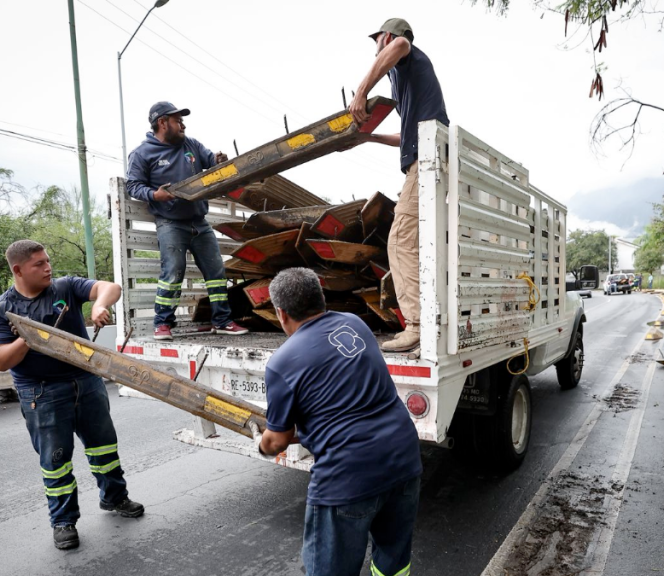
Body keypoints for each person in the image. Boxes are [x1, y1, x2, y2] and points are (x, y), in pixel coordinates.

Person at [257, 268, 422, 576]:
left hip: (349, 476)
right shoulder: (355, 324)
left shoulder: (282, 363)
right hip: (403, 458)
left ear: (281, 313)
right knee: (393, 561)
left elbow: (277, 440)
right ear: (321, 298)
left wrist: (262, 443)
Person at [0, 240, 144, 550]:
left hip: (86, 380)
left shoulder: (65, 288)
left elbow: (110, 287)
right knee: (55, 461)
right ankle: (63, 521)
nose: (48, 268)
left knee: (104, 449)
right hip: (41, 392)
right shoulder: (2, 310)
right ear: (18, 270)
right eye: (39, 264)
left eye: (47, 261)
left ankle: (114, 498)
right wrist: (31, 338)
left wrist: (99, 305)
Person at [349, 18, 449, 353]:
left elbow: (401, 46)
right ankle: (429, 323)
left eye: (377, 40)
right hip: (427, 156)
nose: (376, 47)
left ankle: (418, 327)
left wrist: (361, 92)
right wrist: (372, 137)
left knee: (400, 240)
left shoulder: (405, 51)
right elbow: (406, 136)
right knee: (419, 244)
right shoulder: (408, 81)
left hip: (427, 161)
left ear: (387, 37)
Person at [127, 101, 247, 341]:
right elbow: (133, 185)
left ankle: (222, 321)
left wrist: (218, 161)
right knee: (172, 273)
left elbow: (212, 165)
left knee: (216, 272)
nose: (183, 124)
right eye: (177, 120)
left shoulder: (191, 144)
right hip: (170, 223)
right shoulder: (142, 153)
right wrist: (155, 195)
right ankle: (163, 323)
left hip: (199, 221)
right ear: (162, 123)